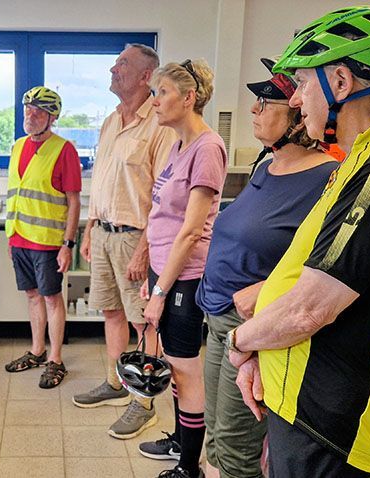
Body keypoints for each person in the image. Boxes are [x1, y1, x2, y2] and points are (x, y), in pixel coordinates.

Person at [227, 6, 370, 477]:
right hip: (302, 403)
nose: (295, 102)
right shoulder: (360, 160)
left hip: (335, 420)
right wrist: (260, 354)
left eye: (304, 85)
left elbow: (309, 309)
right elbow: (304, 277)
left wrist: (239, 341)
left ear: (340, 81)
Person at [191, 58, 337, 478]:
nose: (254, 109)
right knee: (217, 438)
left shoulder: (326, 178)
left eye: (266, 101)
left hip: (257, 328)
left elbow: (321, 263)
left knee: (239, 448)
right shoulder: (265, 165)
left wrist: (264, 290)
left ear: (297, 115)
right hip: (220, 318)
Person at [73, 43, 178, 440]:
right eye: (115, 62)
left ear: (145, 76)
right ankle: (118, 381)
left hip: (135, 237)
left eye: (122, 64)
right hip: (102, 233)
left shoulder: (160, 125)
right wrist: (88, 227)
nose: (113, 69)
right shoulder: (111, 121)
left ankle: (143, 401)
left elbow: (165, 196)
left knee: (142, 321)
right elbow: (101, 181)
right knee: (112, 312)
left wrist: (144, 248)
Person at [138, 59, 227, 478]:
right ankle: (180, 439)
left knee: (186, 368)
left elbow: (191, 231)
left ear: (189, 98)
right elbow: (163, 216)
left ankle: (190, 466)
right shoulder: (178, 145)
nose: (153, 101)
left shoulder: (208, 148)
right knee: (175, 363)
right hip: (167, 271)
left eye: (162, 93)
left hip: (186, 276)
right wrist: (154, 277)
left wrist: (161, 292)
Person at [3, 86, 81, 389]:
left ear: (51, 116)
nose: (29, 115)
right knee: (32, 295)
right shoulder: (17, 146)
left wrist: (67, 244)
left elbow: (73, 201)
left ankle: (56, 359)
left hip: (48, 242)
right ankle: (37, 351)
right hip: (20, 238)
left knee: (51, 298)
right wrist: (12, 237)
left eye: (37, 111)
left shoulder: (64, 149)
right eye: (27, 109)